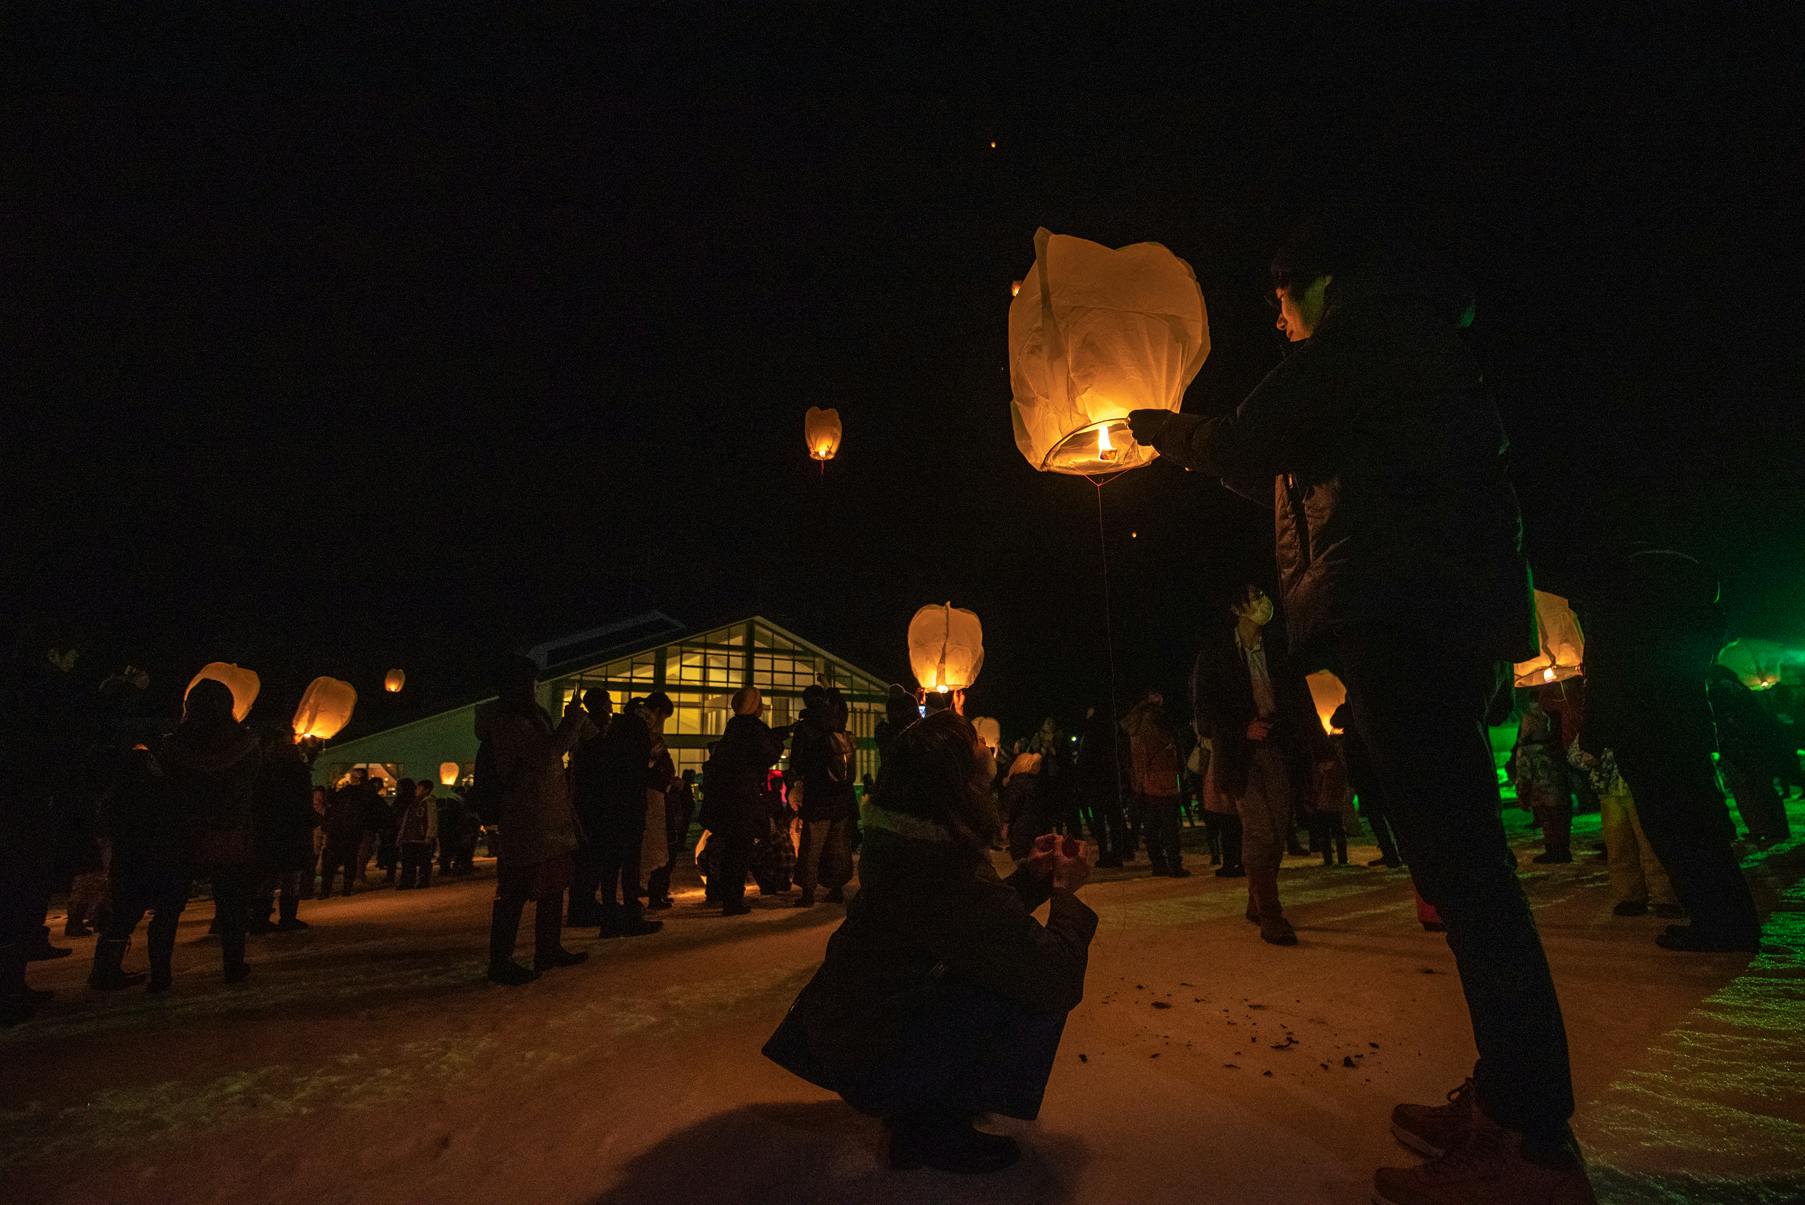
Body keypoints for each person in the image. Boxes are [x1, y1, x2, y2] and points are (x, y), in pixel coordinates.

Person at [1130, 210, 1593, 1200]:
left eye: (1281, 297)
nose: (1278, 318)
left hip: (1402, 614)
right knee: (1460, 866)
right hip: (1425, 614)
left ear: (1322, 284)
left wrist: (1170, 435)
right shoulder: (1404, 343)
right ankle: (1511, 1095)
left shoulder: (1368, 338)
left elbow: (1253, 442)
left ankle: (1525, 1138)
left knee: (1466, 872)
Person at [763, 710, 1097, 1174]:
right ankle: (929, 1127)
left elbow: (970, 926)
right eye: (977, 747)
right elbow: (1054, 976)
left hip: (850, 1043)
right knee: (1022, 982)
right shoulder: (941, 869)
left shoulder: (904, 845)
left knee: (996, 962)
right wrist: (1065, 894)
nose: (987, 750)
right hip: (872, 1063)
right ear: (959, 782)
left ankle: (925, 1102)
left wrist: (1032, 880)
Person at [1577, 547, 1762, 953]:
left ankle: (1718, 925)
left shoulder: (1624, 624)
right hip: (1683, 734)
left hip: (1644, 735)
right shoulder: (1690, 621)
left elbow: (1605, 679)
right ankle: (1727, 920)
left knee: (1676, 833)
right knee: (1700, 831)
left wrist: (1593, 733)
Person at [1191, 585, 1317, 942]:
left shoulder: (1278, 649)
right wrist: (1241, 728)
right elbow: (1204, 711)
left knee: (1278, 830)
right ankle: (1270, 913)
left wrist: (1318, 752)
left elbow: (1300, 700)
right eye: (1256, 598)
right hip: (1240, 755)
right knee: (1259, 829)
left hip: (1279, 749)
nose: (1264, 604)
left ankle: (1256, 898)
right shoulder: (1215, 654)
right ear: (1238, 608)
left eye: (1264, 596)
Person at [483, 654, 589, 985]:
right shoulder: (509, 723)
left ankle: (549, 947)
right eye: (532, 683)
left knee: (553, 885)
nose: (536, 689)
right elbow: (545, 756)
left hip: (547, 814)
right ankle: (500, 961)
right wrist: (572, 722)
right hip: (527, 817)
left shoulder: (531, 717)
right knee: (516, 890)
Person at [161, 678, 261, 984]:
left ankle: (160, 973)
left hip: (181, 832)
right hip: (228, 831)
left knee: (168, 908)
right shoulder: (245, 745)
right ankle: (233, 965)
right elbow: (253, 790)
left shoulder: (172, 745)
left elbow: (163, 790)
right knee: (231, 905)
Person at [590, 692, 673, 936]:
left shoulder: (620, 723)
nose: (660, 724)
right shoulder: (639, 729)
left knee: (613, 861)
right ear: (656, 710)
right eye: (663, 717)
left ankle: (611, 917)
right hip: (629, 801)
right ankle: (630, 915)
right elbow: (639, 765)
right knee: (629, 861)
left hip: (612, 802)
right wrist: (654, 758)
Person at [708, 687, 788, 916]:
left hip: (729, 797)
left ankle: (724, 894)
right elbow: (768, 753)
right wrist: (779, 742)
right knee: (740, 848)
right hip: (744, 798)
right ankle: (733, 900)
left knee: (732, 847)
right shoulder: (752, 729)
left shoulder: (733, 727)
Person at [1708, 667, 1793, 844]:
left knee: (1752, 788)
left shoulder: (1719, 690)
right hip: (1754, 744)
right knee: (1760, 787)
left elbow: (1726, 719)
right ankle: (1772, 828)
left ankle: (1768, 828)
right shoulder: (1739, 689)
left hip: (1740, 745)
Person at [250, 725, 319, 932]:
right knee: (289, 875)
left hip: (269, 828)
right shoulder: (296, 770)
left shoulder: (262, 767)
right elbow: (302, 800)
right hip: (291, 828)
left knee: (270, 875)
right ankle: (284, 918)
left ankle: (261, 919)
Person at [1121, 690, 1188, 878]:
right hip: (1163, 778)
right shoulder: (1158, 719)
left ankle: (1158, 863)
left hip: (1142, 781)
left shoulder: (1133, 723)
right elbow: (1172, 745)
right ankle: (1174, 864)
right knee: (1168, 825)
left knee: (1151, 826)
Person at [1332, 702, 1402, 867]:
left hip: (1366, 779)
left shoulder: (1351, 727)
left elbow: (1335, 722)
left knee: (1377, 819)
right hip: (1377, 776)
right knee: (1390, 817)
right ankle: (1401, 852)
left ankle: (1390, 853)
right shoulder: (1368, 719)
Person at [567, 688, 614, 924]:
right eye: (609, 702)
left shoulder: (581, 732)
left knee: (587, 858)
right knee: (592, 857)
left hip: (584, 800)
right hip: (596, 802)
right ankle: (584, 906)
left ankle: (583, 902)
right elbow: (604, 759)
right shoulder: (596, 730)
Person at [1512, 695, 1573, 864]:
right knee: (1560, 818)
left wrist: (1522, 793)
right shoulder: (1555, 744)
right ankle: (1563, 848)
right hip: (1558, 789)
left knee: (1548, 821)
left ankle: (1554, 850)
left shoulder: (1527, 749)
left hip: (1541, 792)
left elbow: (1524, 772)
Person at [1075, 704, 1127, 866]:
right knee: (1115, 820)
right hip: (1112, 780)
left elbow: (1084, 760)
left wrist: (1082, 779)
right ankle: (1118, 854)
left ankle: (1105, 854)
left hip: (1096, 783)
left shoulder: (1090, 733)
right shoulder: (1114, 731)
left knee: (1100, 822)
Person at [647, 769, 696, 909]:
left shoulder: (666, 792)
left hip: (669, 829)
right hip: (667, 830)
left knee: (666, 862)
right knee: (663, 863)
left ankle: (660, 892)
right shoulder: (663, 794)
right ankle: (657, 895)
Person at [319, 769, 367, 897]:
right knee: (331, 862)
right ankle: (326, 890)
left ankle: (345, 889)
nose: (352, 778)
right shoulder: (346, 792)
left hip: (350, 832)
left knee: (348, 861)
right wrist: (333, 786)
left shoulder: (362, 793)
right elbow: (331, 800)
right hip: (338, 831)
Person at [395, 778, 439, 889]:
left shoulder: (428, 802)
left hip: (421, 836)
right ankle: (408, 881)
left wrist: (429, 835)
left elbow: (432, 819)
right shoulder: (414, 803)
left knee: (423, 861)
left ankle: (422, 881)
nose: (417, 790)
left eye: (420, 788)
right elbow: (406, 820)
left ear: (426, 790)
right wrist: (402, 835)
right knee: (408, 861)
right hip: (410, 836)